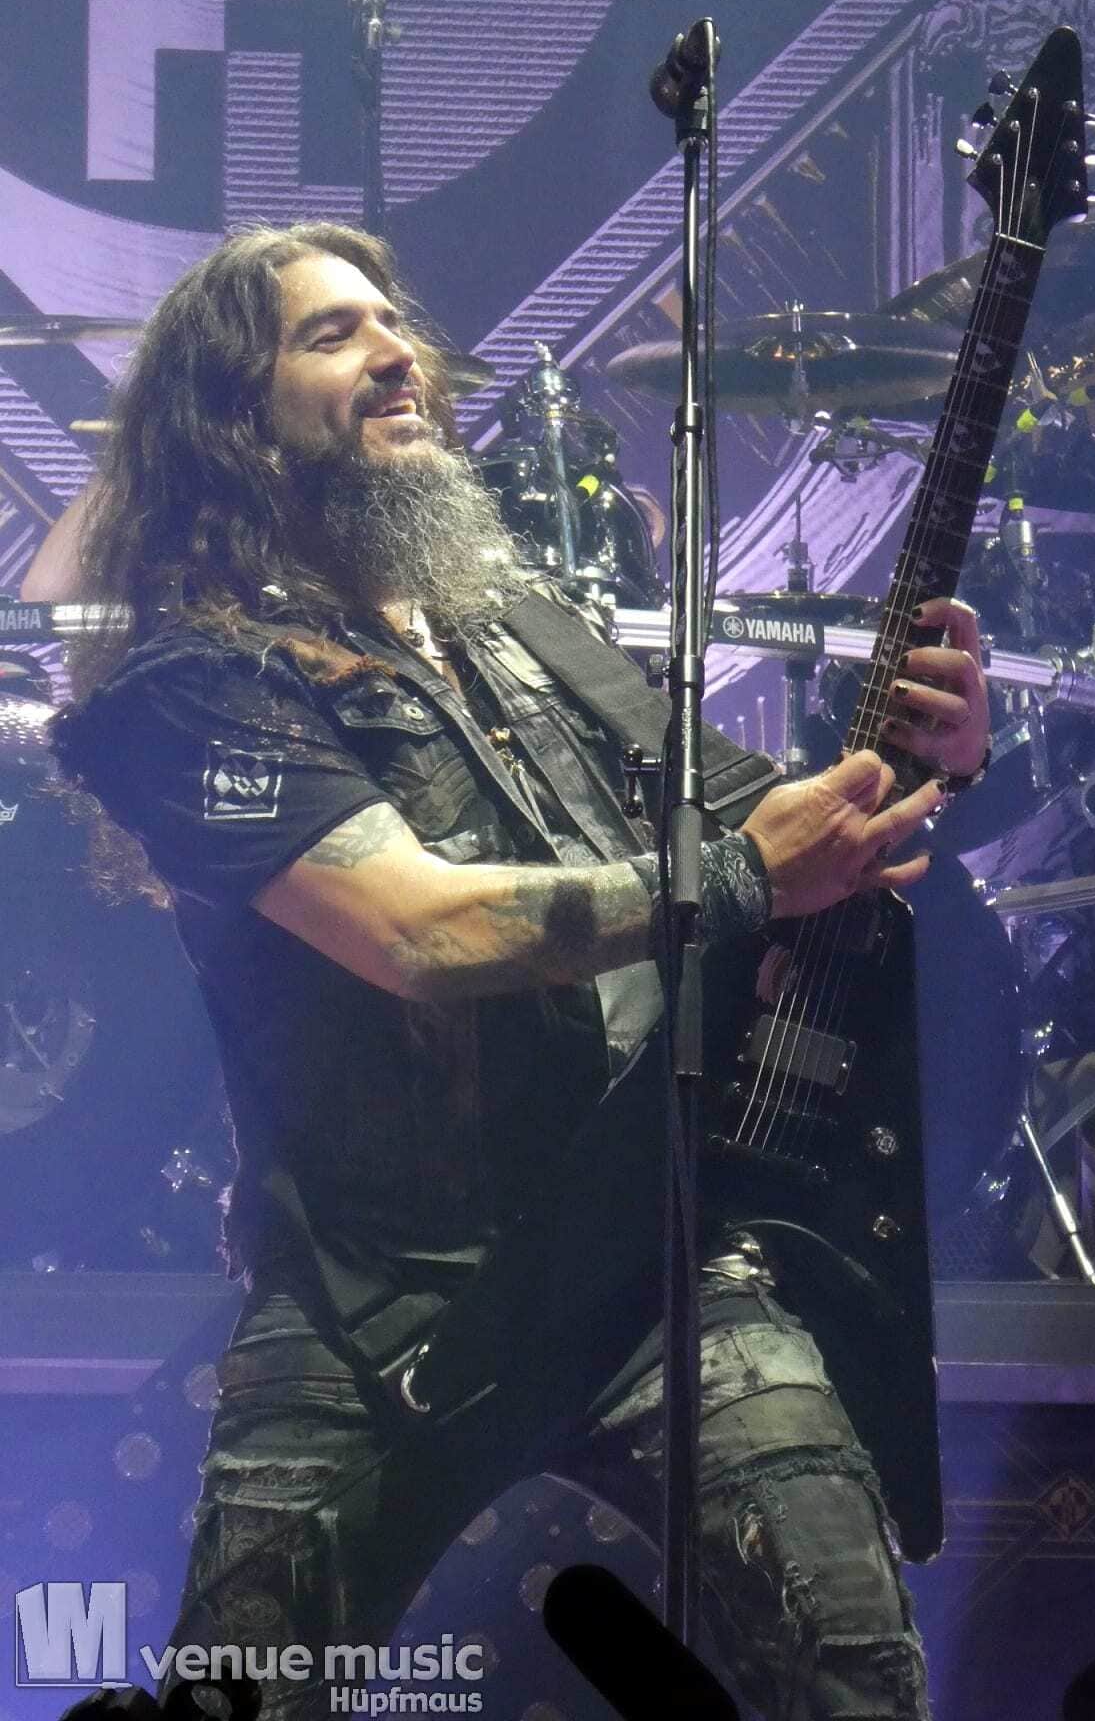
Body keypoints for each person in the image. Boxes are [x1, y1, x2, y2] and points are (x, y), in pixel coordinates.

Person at [51, 222, 990, 1721]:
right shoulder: (192, 685)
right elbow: (415, 933)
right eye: (332, 335)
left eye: (393, 323)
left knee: (852, 1675)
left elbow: (762, 827)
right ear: (232, 415)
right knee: (238, 1703)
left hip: (652, 1262)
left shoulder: (522, 628)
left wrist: (925, 759)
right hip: (386, 1308)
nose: (397, 355)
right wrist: (745, 875)